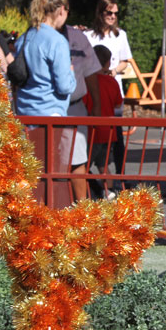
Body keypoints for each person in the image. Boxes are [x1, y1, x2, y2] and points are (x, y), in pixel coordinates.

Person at [84, 0, 133, 190]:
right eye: (108, 13)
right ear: (101, 13)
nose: (112, 17)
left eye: (115, 13)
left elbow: (125, 60)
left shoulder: (120, 35)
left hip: (112, 87)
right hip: (93, 87)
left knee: (117, 138)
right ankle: (93, 182)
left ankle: (119, 178)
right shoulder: (89, 35)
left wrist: (112, 71)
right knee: (92, 139)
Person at [60, 14, 101, 202]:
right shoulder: (33, 36)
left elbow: (90, 72)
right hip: (44, 110)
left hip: (73, 107)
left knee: (78, 161)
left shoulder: (77, 37)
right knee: (48, 164)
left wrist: (97, 104)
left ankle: (82, 210)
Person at [86, 45, 123, 199]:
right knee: (104, 166)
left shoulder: (87, 81)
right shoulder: (112, 82)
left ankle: (90, 192)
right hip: (109, 131)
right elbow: (118, 103)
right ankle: (109, 192)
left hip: (91, 131)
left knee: (83, 166)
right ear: (108, 63)